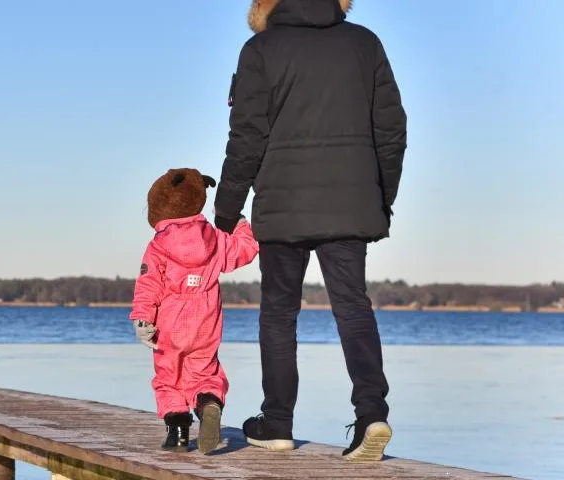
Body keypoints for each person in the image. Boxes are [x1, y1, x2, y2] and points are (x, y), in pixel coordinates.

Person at [213, 0, 407, 462]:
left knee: (279, 313)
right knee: (353, 308)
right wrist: (381, 196)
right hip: (351, 202)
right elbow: (392, 129)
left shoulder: (260, 49)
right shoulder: (365, 44)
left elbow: (247, 136)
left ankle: (277, 422)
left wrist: (227, 208)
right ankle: (371, 415)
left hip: (283, 205)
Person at [130, 168, 259, 453]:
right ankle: (209, 402)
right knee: (204, 370)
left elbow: (149, 282)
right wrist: (240, 223)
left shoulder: (158, 245)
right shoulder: (214, 238)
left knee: (168, 374)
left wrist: (142, 317)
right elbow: (246, 249)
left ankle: (178, 434)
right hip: (206, 317)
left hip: (171, 317)